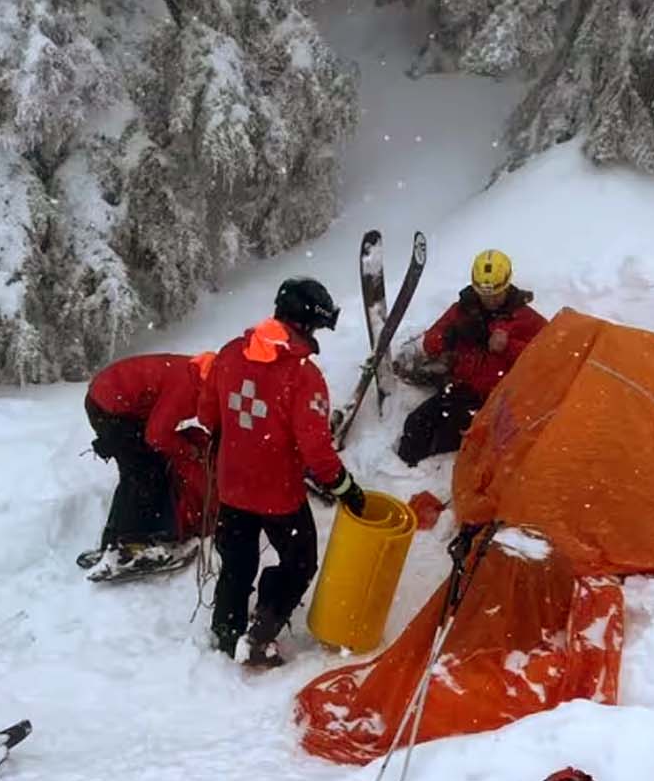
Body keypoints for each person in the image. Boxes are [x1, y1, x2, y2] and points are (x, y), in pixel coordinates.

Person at [198, 278, 366, 667]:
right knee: (300, 562)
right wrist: (346, 488)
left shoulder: (229, 352)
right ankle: (260, 631)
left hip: (232, 486)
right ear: (307, 322)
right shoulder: (303, 376)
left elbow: (209, 413)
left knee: (237, 564)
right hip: (278, 495)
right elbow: (316, 451)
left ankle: (226, 633)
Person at [395, 249, 548, 466]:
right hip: (458, 389)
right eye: (484, 294)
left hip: (493, 401)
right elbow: (431, 342)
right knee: (414, 425)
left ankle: (425, 473)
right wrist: (451, 336)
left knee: (445, 435)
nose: (490, 300)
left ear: (507, 285)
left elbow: (548, 356)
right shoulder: (462, 310)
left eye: (496, 293)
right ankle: (403, 475)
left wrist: (508, 346)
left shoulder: (525, 318)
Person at [81, 351, 214, 574]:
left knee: (144, 469)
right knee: (143, 474)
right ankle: (131, 544)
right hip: (110, 408)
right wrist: (189, 450)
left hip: (115, 402)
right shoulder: (188, 387)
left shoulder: (196, 373)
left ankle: (117, 537)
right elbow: (157, 435)